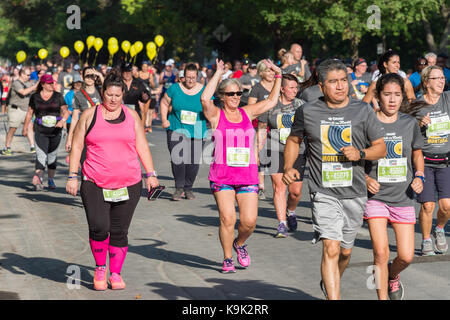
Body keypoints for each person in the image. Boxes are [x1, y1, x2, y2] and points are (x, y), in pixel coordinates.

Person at [282, 59, 386, 300]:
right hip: (323, 190)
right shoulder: (307, 111)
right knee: (330, 247)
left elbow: (380, 148)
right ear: (321, 85)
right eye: (333, 82)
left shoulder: (362, 110)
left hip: (355, 191)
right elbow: (293, 140)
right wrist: (288, 166)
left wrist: (360, 153)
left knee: (345, 252)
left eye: (343, 81)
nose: (340, 86)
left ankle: (331, 281)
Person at [65, 69, 159, 291]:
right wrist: (72, 176)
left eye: (118, 96)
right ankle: (100, 267)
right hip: (94, 181)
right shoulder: (90, 115)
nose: (113, 99)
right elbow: (77, 145)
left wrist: (151, 174)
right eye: (109, 95)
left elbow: (142, 146)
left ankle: (115, 273)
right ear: (102, 92)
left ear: (123, 94)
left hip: (129, 182)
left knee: (119, 230)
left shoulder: (132, 116)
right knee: (99, 226)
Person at [200, 58, 282, 273]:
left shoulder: (247, 112)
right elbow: (204, 98)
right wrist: (218, 73)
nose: (236, 97)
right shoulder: (216, 116)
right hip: (222, 177)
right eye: (230, 94)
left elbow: (272, 101)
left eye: (238, 94)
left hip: (247, 176)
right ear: (223, 97)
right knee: (227, 218)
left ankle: (240, 244)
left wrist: (279, 75)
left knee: (249, 221)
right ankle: (227, 258)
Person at [364, 73, 424, 300]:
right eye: (387, 94)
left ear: (402, 98)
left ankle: (392, 275)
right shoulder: (368, 121)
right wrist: (366, 178)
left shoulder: (409, 123)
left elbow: (417, 154)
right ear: (378, 96)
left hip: (404, 196)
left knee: (406, 256)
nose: (392, 100)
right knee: (380, 252)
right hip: (376, 197)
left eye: (397, 95)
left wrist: (419, 175)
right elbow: (357, 158)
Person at [257, 74, 307, 238]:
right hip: (274, 148)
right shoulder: (271, 104)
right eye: (291, 88)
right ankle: (281, 223)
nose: (295, 90)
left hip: (297, 151)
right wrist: (258, 149)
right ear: (282, 89)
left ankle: (291, 211)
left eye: (296, 87)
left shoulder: (301, 105)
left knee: (295, 192)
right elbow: (262, 128)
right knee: (279, 187)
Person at [414, 65, 450, 256]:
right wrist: (418, 124)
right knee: (428, 205)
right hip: (425, 161)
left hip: (446, 161)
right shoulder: (418, 105)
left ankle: (440, 228)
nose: (441, 81)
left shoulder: (447, 98)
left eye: (443, 78)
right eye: (436, 78)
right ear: (427, 82)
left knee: (447, 206)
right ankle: (426, 239)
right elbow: (409, 131)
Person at [160, 63, 207, 200]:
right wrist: (164, 119)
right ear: (183, 77)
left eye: (193, 77)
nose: (190, 80)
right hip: (176, 127)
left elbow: (211, 108)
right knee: (178, 159)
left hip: (197, 129)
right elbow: (164, 103)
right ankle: (178, 187)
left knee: (192, 162)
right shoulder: (174, 89)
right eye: (188, 77)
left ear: (197, 77)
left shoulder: (204, 90)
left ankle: (188, 188)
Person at [23, 74, 69, 190]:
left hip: (56, 131)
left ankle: (50, 179)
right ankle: (38, 178)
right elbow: (29, 113)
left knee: (52, 156)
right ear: (43, 84)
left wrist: (62, 121)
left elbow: (66, 112)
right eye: (49, 83)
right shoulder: (35, 97)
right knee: (41, 155)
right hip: (40, 130)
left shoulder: (58, 96)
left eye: (52, 82)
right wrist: (25, 127)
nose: (51, 85)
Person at [248, 60, 275, 200]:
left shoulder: (279, 86)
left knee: (277, 156)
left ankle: (278, 186)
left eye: (272, 70)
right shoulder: (257, 88)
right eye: (268, 70)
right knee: (261, 156)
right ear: (261, 73)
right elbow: (250, 109)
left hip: (278, 126)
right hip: (262, 126)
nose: (271, 73)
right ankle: (261, 186)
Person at [1, 68, 38, 155]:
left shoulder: (29, 83)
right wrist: (34, 87)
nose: (29, 77)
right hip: (15, 109)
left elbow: (34, 92)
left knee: (30, 126)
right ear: (22, 74)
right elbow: (23, 92)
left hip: (26, 109)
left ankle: (32, 146)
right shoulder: (16, 83)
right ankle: (7, 147)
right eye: (28, 75)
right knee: (13, 128)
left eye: (30, 75)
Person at [65, 66, 103, 153]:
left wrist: (100, 75)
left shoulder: (101, 91)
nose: (89, 78)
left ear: (95, 77)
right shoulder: (78, 95)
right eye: (87, 76)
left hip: (100, 131)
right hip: (85, 132)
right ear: (82, 77)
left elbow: (109, 88)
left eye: (92, 75)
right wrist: (69, 138)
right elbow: (74, 118)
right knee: (84, 159)